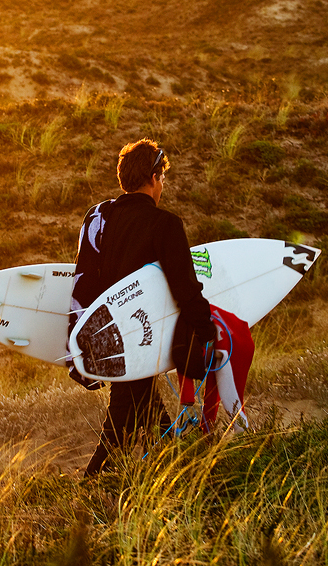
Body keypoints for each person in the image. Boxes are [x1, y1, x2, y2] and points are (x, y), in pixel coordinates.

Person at [69, 138, 217, 476]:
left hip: (107, 334)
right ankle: (90, 485)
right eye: (162, 178)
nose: (162, 186)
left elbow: (85, 278)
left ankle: (174, 468)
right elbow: (185, 287)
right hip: (142, 336)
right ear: (152, 178)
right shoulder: (165, 225)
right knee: (121, 418)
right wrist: (206, 329)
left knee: (146, 407)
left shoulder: (101, 221)